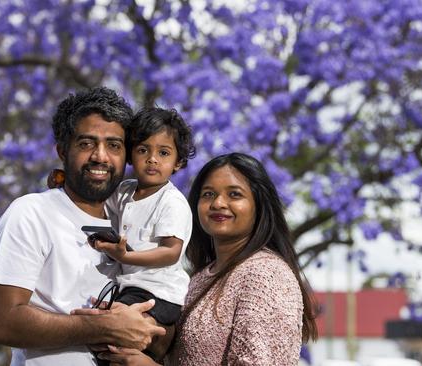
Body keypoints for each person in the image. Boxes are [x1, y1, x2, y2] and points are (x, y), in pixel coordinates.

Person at [0, 87, 166, 366]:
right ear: (62, 150)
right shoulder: (32, 213)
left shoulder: (137, 224)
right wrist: (104, 327)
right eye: (86, 143)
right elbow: (2, 322)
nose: (100, 156)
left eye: (114, 145)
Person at [91, 152, 318, 365]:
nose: (218, 203)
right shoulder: (202, 276)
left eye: (234, 194)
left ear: (259, 205)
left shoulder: (266, 276)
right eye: (208, 194)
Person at [89, 107, 195, 330]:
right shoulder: (124, 191)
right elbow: (95, 203)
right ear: (130, 155)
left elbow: (170, 253)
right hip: (129, 287)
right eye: (143, 150)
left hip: (159, 293)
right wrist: (64, 181)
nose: (152, 159)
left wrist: (125, 256)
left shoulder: (171, 202)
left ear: (178, 162)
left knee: (110, 326)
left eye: (164, 153)